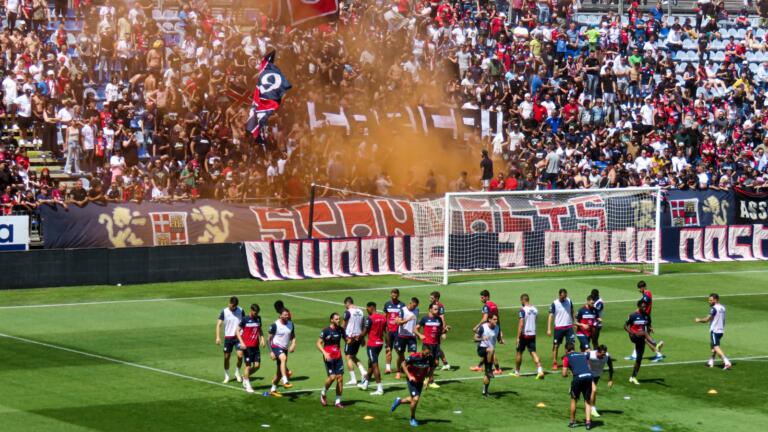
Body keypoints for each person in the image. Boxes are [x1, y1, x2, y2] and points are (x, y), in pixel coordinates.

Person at [390, 345, 435, 427]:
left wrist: (428, 379)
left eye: (429, 353)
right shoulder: (414, 357)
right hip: (412, 380)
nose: (428, 355)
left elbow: (432, 368)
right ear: (422, 351)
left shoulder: (430, 358)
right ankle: (412, 418)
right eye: (427, 353)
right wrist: (409, 376)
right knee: (416, 399)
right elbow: (403, 364)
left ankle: (399, 401)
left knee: (413, 399)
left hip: (420, 381)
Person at [624, 300, 664, 385]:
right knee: (644, 333)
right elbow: (625, 326)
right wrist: (631, 332)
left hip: (641, 338)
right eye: (643, 306)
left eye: (645, 306)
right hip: (634, 336)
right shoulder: (633, 315)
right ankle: (655, 345)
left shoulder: (646, 316)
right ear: (639, 306)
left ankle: (633, 377)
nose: (644, 308)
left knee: (639, 359)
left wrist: (650, 328)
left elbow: (648, 325)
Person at [626, 281, 663, 361]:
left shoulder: (647, 295)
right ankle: (634, 355)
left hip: (644, 319)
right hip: (643, 318)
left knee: (644, 338)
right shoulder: (646, 294)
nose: (639, 290)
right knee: (638, 337)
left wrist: (634, 314)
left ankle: (658, 352)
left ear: (643, 287)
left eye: (639, 288)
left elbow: (642, 306)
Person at [694, 293, 731, 369]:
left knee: (716, 347)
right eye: (709, 300)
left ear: (716, 300)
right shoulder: (723, 307)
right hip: (721, 330)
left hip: (715, 330)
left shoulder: (714, 309)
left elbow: (706, 320)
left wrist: (699, 320)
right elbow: (723, 319)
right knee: (713, 346)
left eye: (711, 300)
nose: (709, 301)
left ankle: (726, 362)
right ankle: (711, 362)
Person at [562, 342, 594, 430]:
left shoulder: (566, 358)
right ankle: (588, 423)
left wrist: (568, 373)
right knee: (587, 401)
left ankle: (572, 422)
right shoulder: (582, 354)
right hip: (589, 376)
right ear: (573, 348)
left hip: (578, 378)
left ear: (566, 350)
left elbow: (564, 374)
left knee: (574, 400)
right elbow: (588, 356)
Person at [512, 294, 545, 379]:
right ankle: (540, 370)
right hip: (532, 334)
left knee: (519, 352)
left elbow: (521, 324)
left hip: (524, 335)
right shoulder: (535, 309)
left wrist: (518, 337)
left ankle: (517, 372)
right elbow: (535, 320)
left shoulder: (522, 310)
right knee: (533, 352)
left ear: (523, 300)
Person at [317, 312, 345, 408]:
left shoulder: (340, 330)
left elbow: (347, 340)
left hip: (338, 356)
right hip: (329, 357)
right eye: (336, 319)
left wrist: (355, 338)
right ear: (331, 320)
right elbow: (318, 343)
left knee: (340, 378)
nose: (339, 320)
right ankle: (323, 393)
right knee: (332, 377)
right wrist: (324, 353)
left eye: (339, 318)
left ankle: (338, 401)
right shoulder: (326, 331)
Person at [236, 304, 265, 393]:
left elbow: (259, 329)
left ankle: (245, 377)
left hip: (256, 346)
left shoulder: (258, 318)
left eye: (257, 313)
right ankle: (247, 386)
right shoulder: (245, 319)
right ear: (251, 310)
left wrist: (262, 338)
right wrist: (241, 342)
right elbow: (237, 331)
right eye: (255, 312)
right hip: (247, 346)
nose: (256, 314)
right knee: (248, 366)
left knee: (257, 366)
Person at [415, 303, 445, 389]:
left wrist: (445, 331)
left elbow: (440, 331)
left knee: (435, 363)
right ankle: (429, 380)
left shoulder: (439, 319)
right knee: (427, 363)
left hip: (436, 344)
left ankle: (427, 378)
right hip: (427, 344)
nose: (437, 310)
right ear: (430, 309)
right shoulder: (425, 318)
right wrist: (419, 335)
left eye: (438, 309)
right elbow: (415, 329)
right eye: (435, 309)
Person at [471, 290, 502, 374]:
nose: (481, 299)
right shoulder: (494, 305)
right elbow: (498, 318)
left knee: (489, 349)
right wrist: (499, 331)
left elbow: (485, 319)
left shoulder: (486, 306)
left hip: (488, 329)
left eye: (482, 297)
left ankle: (497, 369)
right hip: (495, 328)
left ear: (487, 297)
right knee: (487, 348)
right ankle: (479, 366)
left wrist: (477, 326)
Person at [267, 308, 296, 396]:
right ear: (280, 315)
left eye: (287, 314)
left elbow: (293, 336)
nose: (287, 316)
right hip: (275, 346)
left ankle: (273, 389)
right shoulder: (275, 325)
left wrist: (293, 344)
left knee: (278, 373)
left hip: (284, 349)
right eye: (285, 315)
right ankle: (285, 380)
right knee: (283, 358)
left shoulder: (291, 324)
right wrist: (271, 352)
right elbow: (268, 340)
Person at [215, 296, 244, 384]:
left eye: (234, 306)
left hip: (238, 337)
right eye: (232, 305)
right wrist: (218, 337)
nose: (233, 307)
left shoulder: (241, 310)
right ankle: (227, 376)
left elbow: (244, 322)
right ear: (229, 303)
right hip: (228, 337)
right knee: (227, 357)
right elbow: (218, 324)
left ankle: (237, 372)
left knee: (240, 356)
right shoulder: (224, 311)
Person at [360, 301, 386, 395]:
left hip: (372, 345)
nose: (367, 310)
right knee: (371, 362)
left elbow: (365, 332)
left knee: (374, 365)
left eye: (367, 309)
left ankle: (379, 388)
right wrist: (388, 345)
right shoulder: (383, 317)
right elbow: (386, 331)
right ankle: (366, 383)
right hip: (380, 344)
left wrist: (358, 338)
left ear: (371, 308)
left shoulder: (370, 318)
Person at [342, 297, 367, 386]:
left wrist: (343, 335)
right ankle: (363, 371)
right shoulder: (361, 311)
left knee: (348, 356)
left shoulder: (348, 312)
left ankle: (353, 379)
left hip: (350, 337)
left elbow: (343, 325)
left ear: (347, 303)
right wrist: (363, 338)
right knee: (353, 356)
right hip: (359, 336)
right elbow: (363, 325)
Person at [475, 314, 502, 397]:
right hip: (482, 349)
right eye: (494, 319)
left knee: (488, 375)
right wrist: (482, 338)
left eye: (496, 319)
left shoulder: (497, 328)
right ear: (489, 319)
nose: (496, 321)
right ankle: (488, 369)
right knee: (491, 350)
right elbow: (475, 338)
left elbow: (498, 339)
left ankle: (485, 391)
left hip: (490, 353)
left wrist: (501, 341)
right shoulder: (483, 327)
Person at [548, 289, 575, 370]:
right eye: (563, 297)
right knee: (556, 346)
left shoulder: (569, 301)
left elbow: (572, 311)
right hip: (559, 328)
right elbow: (550, 316)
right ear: (559, 295)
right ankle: (555, 362)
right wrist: (549, 329)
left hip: (569, 327)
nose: (564, 298)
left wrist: (575, 322)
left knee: (571, 345)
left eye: (565, 297)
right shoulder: (555, 303)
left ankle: (570, 362)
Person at [394, 297, 420, 379]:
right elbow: (399, 323)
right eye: (413, 305)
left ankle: (410, 370)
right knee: (400, 355)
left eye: (416, 306)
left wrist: (418, 334)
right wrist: (408, 319)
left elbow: (416, 323)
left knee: (413, 355)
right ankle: (398, 371)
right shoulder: (402, 310)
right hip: (402, 336)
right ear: (410, 303)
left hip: (412, 336)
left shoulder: (416, 310)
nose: (414, 307)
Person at [384, 288, 406, 375]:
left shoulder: (402, 305)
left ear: (398, 295)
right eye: (393, 293)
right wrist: (385, 328)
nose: (394, 294)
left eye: (396, 293)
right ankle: (388, 368)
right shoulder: (387, 304)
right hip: (389, 331)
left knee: (399, 351)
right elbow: (385, 317)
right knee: (388, 349)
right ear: (391, 294)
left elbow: (404, 317)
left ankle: (403, 366)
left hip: (398, 331)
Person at [588, 345, 614, 418]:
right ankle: (593, 409)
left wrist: (610, 379)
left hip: (597, 375)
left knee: (590, 391)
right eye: (602, 354)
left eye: (604, 354)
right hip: (589, 374)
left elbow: (611, 368)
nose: (603, 356)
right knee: (594, 390)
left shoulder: (607, 356)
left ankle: (576, 387)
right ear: (597, 352)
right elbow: (579, 357)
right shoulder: (590, 354)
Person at [429, 291, 451, 370]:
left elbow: (442, 317)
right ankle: (441, 363)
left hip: (437, 328)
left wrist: (443, 330)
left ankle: (444, 363)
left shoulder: (440, 306)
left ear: (437, 298)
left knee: (435, 346)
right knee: (435, 346)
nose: (430, 299)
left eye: (432, 298)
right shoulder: (433, 305)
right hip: (433, 327)